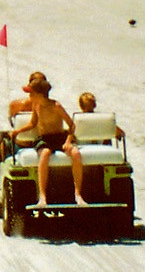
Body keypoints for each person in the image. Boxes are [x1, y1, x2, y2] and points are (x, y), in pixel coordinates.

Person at [9, 76, 87, 208]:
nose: (29, 96)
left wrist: (68, 141)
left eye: (31, 93)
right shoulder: (36, 105)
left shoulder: (56, 106)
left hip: (59, 137)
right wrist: (18, 131)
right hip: (44, 138)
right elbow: (33, 123)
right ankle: (42, 196)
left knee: (75, 153)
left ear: (39, 95)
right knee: (44, 154)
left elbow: (71, 125)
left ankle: (78, 194)